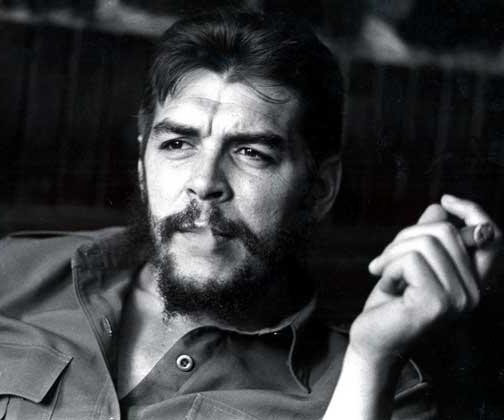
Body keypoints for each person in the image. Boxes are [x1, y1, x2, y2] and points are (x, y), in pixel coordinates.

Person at [0, 9, 501, 420]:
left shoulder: (379, 389)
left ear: (319, 189)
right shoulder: (14, 273)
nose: (204, 182)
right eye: (177, 144)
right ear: (141, 166)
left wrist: (371, 359)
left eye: (250, 153)